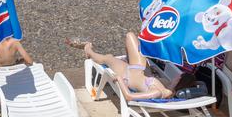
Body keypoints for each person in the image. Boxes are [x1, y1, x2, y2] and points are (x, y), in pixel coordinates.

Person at [68, 35, 197, 101]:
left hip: (127, 74)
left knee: (108, 58)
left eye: (179, 76)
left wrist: (119, 80)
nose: (177, 75)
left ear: (179, 81)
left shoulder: (158, 92)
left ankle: (88, 49)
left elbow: (129, 96)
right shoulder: (168, 86)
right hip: (139, 67)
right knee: (130, 36)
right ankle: (128, 58)